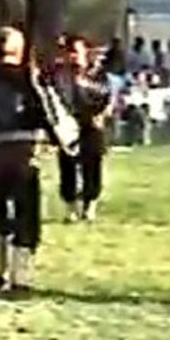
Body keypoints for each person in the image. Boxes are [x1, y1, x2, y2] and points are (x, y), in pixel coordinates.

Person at [0, 27, 79, 292]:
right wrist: (67, 143)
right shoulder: (31, 80)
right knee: (26, 216)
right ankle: (19, 276)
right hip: (23, 157)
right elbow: (53, 114)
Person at [56, 36, 111, 222]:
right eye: (69, 52)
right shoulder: (60, 76)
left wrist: (101, 115)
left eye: (76, 52)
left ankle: (90, 205)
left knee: (92, 165)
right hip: (68, 125)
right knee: (68, 165)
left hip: (92, 124)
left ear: (85, 53)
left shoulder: (97, 74)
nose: (73, 57)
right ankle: (70, 207)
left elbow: (106, 97)